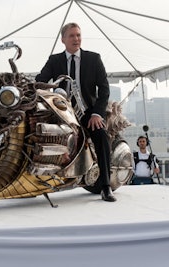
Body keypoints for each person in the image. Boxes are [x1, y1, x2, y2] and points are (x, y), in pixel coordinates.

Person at [35, 22, 116, 202]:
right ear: (63, 40)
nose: (76, 39)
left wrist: (97, 114)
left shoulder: (94, 58)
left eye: (78, 35)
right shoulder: (54, 60)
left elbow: (104, 89)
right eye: (71, 36)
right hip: (61, 113)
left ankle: (105, 186)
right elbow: (40, 81)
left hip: (87, 112)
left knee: (101, 137)